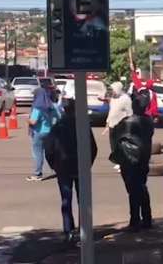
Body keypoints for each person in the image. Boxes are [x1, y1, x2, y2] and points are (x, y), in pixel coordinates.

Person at [44, 99, 97, 243]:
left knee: (66, 200)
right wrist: (88, 164)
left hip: (63, 168)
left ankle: (68, 230)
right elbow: (93, 148)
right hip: (80, 167)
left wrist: (54, 165)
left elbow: (48, 149)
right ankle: (83, 228)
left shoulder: (58, 126)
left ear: (64, 110)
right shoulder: (83, 125)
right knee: (83, 200)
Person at [111, 93, 154, 231]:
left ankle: (135, 219)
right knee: (141, 186)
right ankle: (146, 218)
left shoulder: (125, 122)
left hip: (129, 158)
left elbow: (115, 134)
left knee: (133, 190)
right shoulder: (148, 122)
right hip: (143, 157)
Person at [27, 87, 61, 181]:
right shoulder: (51, 106)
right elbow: (58, 118)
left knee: (38, 153)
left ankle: (37, 173)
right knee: (49, 152)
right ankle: (56, 169)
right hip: (49, 132)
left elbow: (33, 122)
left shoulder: (37, 107)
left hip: (38, 132)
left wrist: (27, 120)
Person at [104, 82, 133, 171]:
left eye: (113, 90)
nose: (112, 92)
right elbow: (111, 112)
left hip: (122, 126)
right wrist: (107, 125)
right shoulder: (113, 99)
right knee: (113, 145)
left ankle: (123, 163)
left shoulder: (126, 99)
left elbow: (130, 113)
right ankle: (118, 161)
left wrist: (129, 125)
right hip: (112, 125)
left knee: (121, 145)